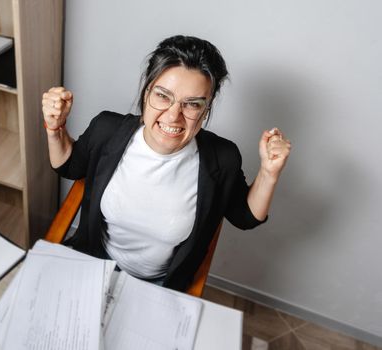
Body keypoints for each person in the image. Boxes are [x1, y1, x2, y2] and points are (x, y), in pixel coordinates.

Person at [41, 35, 291, 292]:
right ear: (146, 90)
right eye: (163, 96)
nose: (174, 116)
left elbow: (245, 217)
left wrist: (269, 173)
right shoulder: (107, 129)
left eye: (192, 104)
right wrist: (54, 128)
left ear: (206, 108)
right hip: (93, 263)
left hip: (160, 286)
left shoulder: (222, 158)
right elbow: (68, 166)